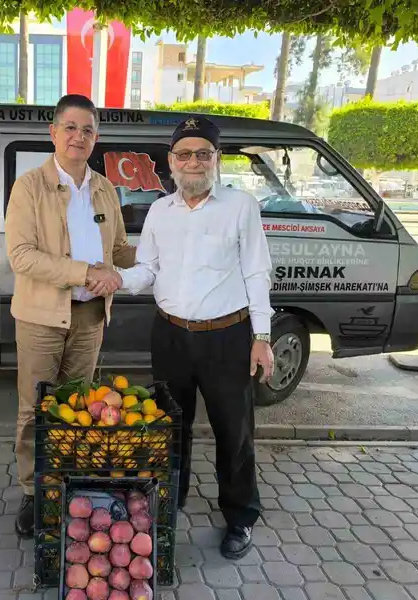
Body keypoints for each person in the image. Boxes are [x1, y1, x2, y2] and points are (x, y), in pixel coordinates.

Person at [91, 114, 275, 560]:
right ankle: (170, 499)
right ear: (171, 161)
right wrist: (115, 277)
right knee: (170, 427)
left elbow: (257, 271)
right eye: (185, 154)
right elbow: (148, 270)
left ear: (216, 159)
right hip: (171, 335)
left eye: (203, 154)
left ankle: (240, 515)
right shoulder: (160, 211)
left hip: (227, 337)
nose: (194, 162)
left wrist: (262, 335)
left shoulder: (240, 206)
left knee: (235, 432)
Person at [4, 94, 135, 538]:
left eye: (88, 130)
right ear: (54, 132)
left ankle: (66, 481)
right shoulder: (29, 186)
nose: (79, 136)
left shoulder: (105, 189)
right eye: (71, 127)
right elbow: (22, 256)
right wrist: (86, 273)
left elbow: (119, 249)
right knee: (35, 408)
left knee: (79, 406)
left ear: (96, 138)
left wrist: (162, 253)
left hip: (90, 317)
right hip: (41, 317)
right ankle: (32, 490)